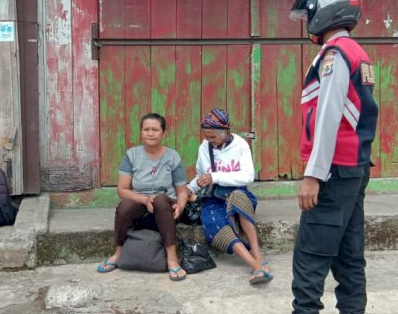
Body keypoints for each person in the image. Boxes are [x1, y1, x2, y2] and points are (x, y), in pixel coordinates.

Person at [288, 0, 378, 314]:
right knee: (348, 254)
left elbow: (328, 116)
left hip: (334, 173)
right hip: (352, 170)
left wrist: (314, 174)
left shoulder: (336, 54)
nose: (307, 18)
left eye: (309, 11)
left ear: (326, 11)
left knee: (310, 257)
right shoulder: (356, 52)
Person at [97, 113, 190, 281]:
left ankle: (172, 259)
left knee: (161, 199)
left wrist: (181, 206)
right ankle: (118, 253)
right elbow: (123, 190)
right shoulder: (132, 155)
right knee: (125, 205)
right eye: (146, 129)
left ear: (163, 133)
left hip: (166, 209)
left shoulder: (172, 156)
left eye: (155, 129)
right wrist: (145, 200)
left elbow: (182, 191)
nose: (150, 133)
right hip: (141, 206)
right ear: (141, 132)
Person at [187, 108, 272, 285]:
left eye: (213, 137)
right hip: (215, 198)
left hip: (237, 193)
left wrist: (215, 177)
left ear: (225, 132)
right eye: (207, 136)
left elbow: (247, 176)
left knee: (239, 198)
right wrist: (190, 189)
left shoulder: (240, 145)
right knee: (211, 221)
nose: (209, 141)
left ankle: (257, 253)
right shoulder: (205, 146)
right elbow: (201, 175)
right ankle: (255, 265)